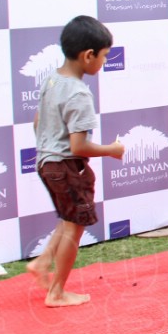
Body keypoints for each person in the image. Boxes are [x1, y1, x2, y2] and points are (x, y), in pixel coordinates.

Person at [26, 16, 124, 307]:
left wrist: (49, 146)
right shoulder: (79, 93)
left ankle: (42, 263)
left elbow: (37, 122)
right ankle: (57, 292)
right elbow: (79, 146)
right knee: (74, 227)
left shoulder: (52, 79)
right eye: (105, 56)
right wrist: (112, 149)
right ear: (88, 55)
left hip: (46, 162)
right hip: (65, 165)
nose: (105, 62)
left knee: (68, 218)